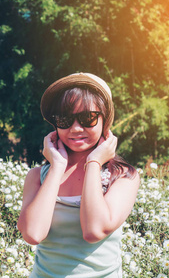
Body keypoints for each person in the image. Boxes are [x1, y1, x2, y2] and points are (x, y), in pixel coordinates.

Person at [17, 73, 140, 277]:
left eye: (87, 118)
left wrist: (94, 162)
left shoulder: (122, 176)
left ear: (105, 120)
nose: (75, 128)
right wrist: (56, 167)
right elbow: (32, 234)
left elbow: (94, 230)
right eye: (64, 119)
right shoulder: (37, 176)